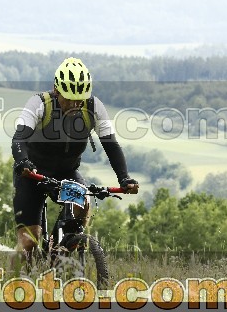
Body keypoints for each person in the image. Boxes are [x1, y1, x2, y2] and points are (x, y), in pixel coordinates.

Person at [10, 56, 138, 264]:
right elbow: (19, 138)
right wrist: (23, 162)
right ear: (56, 90)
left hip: (66, 173)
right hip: (32, 175)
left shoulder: (94, 107)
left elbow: (111, 145)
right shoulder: (39, 104)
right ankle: (14, 278)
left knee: (83, 203)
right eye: (69, 99)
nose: (74, 104)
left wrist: (124, 178)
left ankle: (60, 252)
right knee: (28, 242)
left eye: (79, 99)